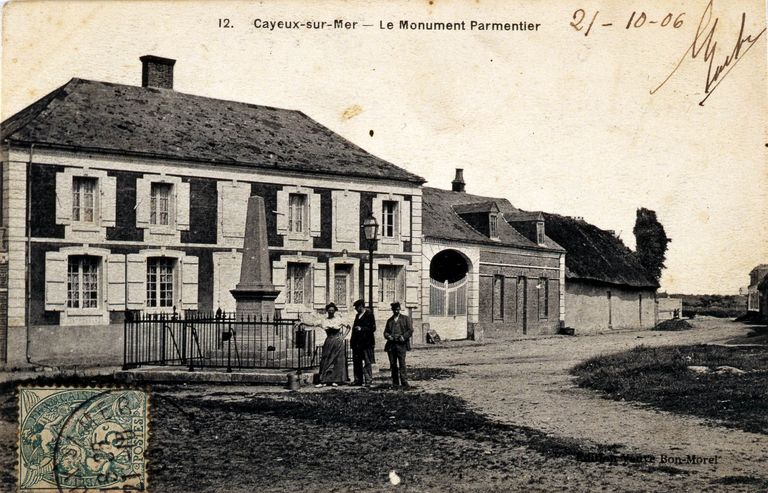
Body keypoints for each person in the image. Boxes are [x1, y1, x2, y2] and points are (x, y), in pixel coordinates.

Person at [315, 302, 350, 387]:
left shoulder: (338, 319)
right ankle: (324, 380)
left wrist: (343, 337)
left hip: (337, 342)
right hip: (329, 341)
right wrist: (301, 323)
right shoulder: (324, 321)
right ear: (327, 311)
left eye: (332, 311)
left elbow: (349, 327)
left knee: (337, 361)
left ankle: (336, 380)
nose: (331, 312)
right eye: (329, 311)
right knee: (326, 360)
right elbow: (313, 323)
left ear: (335, 311)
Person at [383, 302, 413, 388]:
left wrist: (403, 337)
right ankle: (395, 382)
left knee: (402, 363)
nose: (396, 310)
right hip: (391, 345)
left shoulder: (405, 319)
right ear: (392, 310)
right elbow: (385, 332)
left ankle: (404, 382)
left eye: (397, 308)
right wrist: (388, 336)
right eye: (394, 309)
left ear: (400, 308)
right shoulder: (389, 320)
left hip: (401, 345)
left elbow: (410, 330)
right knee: (393, 364)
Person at [350, 299, 376, 387]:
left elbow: (372, 328)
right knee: (357, 362)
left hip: (366, 343)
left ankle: (368, 380)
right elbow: (354, 329)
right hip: (357, 344)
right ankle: (358, 380)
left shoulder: (369, 315)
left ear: (361, 306)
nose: (356, 309)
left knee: (367, 362)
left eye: (357, 307)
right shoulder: (357, 316)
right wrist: (352, 342)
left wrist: (361, 328)